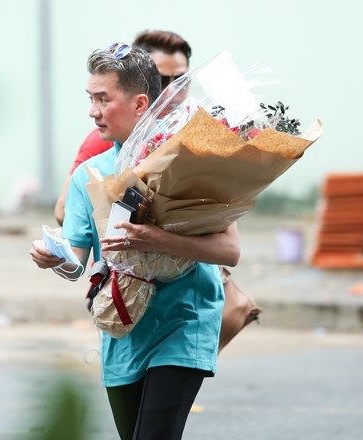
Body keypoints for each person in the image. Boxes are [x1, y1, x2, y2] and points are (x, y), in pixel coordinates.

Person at [30, 42, 240, 439]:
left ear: (140, 103)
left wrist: (157, 239)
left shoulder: (189, 161)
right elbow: (76, 262)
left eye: (103, 99)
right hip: (122, 327)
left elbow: (230, 251)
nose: (93, 110)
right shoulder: (89, 175)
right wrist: (53, 257)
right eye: (90, 98)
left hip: (184, 321)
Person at [54, 30, 193, 226]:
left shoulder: (192, 144)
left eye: (181, 80)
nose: (172, 90)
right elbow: (64, 211)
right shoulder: (103, 140)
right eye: (160, 80)